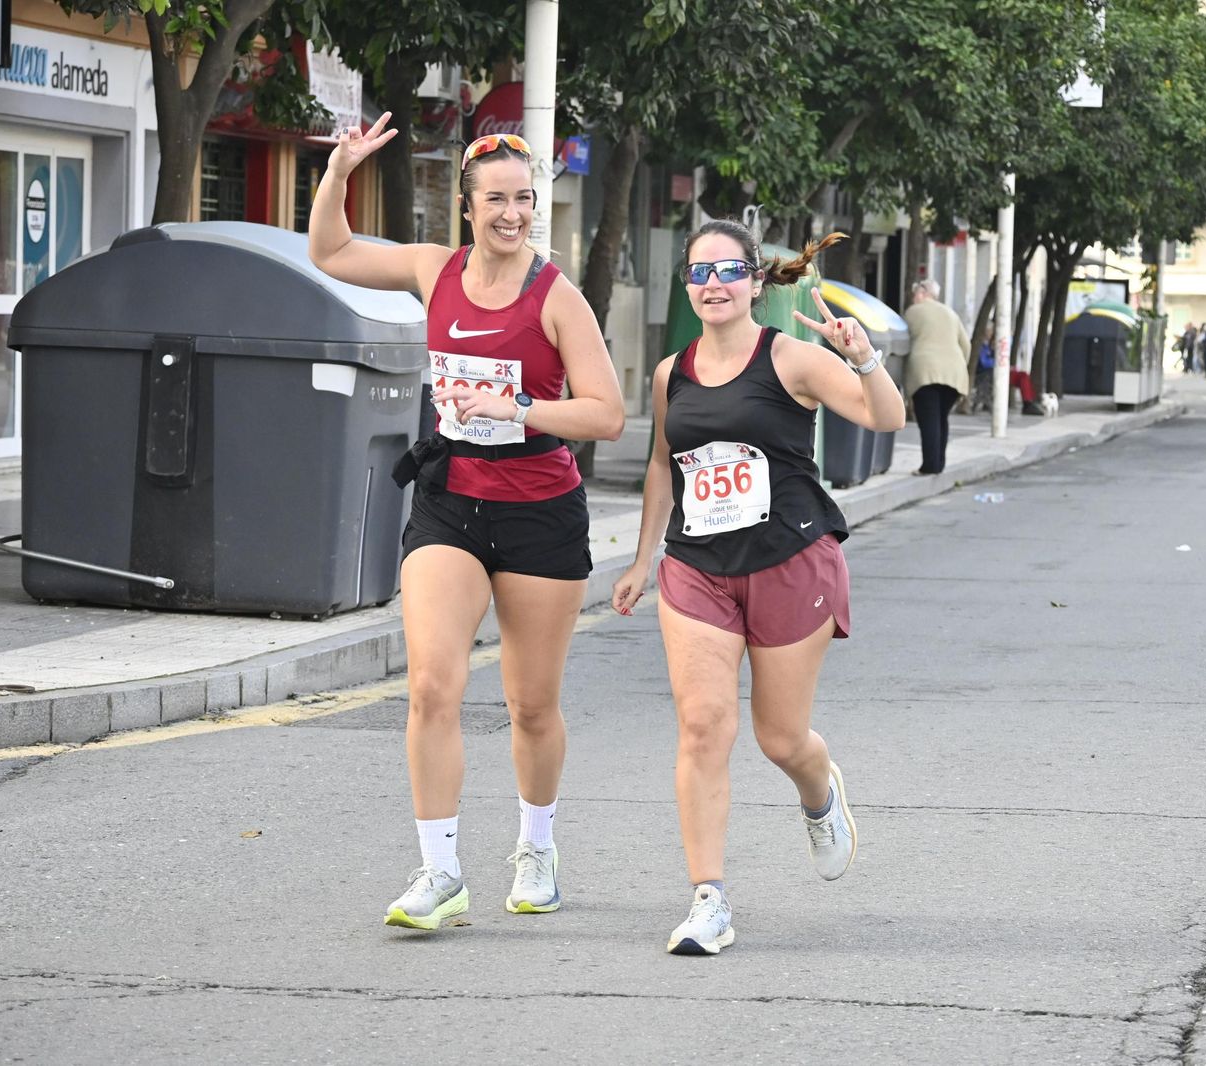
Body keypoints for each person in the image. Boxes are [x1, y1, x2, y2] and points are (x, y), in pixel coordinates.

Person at [309, 120, 626, 930]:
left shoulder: (558, 298)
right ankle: (441, 869)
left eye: (525, 199)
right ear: (466, 206)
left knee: (530, 705)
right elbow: (331, 252)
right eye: (497, 199)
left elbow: (608, 414)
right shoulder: (432, 268)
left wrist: (518, 405)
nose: (513, 213)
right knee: (431, 685)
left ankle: (537, 845)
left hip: (539, 514)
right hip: (450, 500)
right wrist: (339, 170)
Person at [610, 220, 904, 955]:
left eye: (727, 272)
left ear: (753, 280)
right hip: (697, 570)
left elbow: (884, 416)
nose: (713, 285)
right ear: (687, 286)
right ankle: (709, 899)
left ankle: (819, 792)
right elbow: (660, 467)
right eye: (699, 274)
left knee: (780, 737)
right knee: (705, 726)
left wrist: (866, 359)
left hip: (790, 561)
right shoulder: (669, 372)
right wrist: (643, 559)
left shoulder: (793, 360)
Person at [902, 280, 970, 475]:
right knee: (941, 417)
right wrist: (957, 366)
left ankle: (929, 466)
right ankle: (939, 463)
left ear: (923, 293)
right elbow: (966, 345)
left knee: (928, 419)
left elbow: (902, 341)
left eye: (915, 294)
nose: (914, 298)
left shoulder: (913, 311)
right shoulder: (950, 313)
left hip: (925, 371)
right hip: (955, 373)